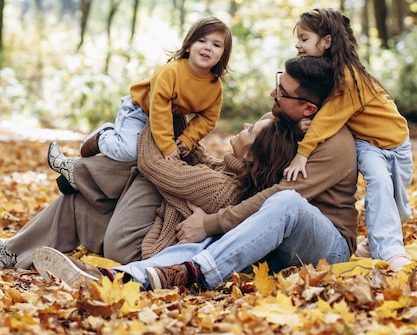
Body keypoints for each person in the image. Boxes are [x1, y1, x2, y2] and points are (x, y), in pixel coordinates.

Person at [32, 55, 359, 291]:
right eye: (278, 84)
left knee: (283, 202)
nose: (274, 94)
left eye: (283, 92)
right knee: (211, 232)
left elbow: (274, 196)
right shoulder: (282, 119)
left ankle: (192, 271)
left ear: (308, 109)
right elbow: (247, 168)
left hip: (324, 244)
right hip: (267, 236)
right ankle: (130, 276)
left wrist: (211, 221)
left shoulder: (335, 144)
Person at [0, 89, 301, 271]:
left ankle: (79, 172)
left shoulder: (222, 189)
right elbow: (194, 155)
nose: (247, 125)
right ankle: (13, 252)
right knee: (75, 204)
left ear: (251, 156)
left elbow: (154, 164)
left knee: (148, 170)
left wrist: (152, 118)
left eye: (252, 130)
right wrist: (174, 107)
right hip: (133, 233)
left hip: (137, 247)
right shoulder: (228, 173)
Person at [286, 8, 413, 271]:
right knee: (379, 183)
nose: (298, 45)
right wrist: (303, 151)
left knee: (399, 206)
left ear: (327, 41)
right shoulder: (325, 72)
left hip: (398, 143)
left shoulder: (349, 75)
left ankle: (375, 241)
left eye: (304, 38)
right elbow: (325, 115)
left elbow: (330, 114)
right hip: (368, 144)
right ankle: (390, 251)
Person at [47, 16, 233, 192]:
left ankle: (82, 175)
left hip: (170, 119)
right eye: (202, 41)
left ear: (223, 54)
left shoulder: (214, 87)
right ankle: (104, 136)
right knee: (129, 152)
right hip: (140, 109)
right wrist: (167, 145)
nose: (208, 47)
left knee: (164, 162)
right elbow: (159, 106)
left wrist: (188, 138)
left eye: (216, 45)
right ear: (188, 46)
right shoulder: (172, 71)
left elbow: (208, 118)